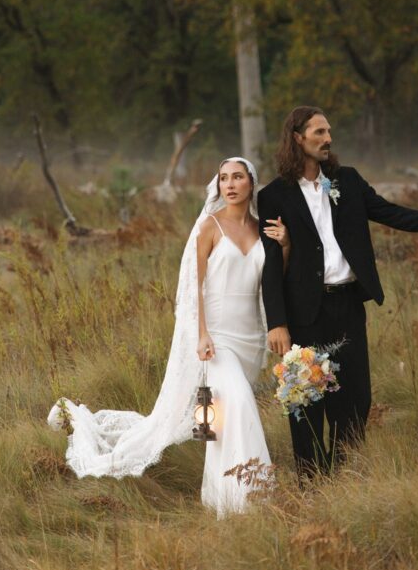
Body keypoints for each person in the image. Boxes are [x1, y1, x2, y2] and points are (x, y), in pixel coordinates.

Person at [48, 157, 283, 518]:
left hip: (249, 337)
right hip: (216, 336)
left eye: (238, 177)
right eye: (224, 179)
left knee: (226, 418)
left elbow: (275, 279)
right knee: (237, 403)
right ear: (218, 186)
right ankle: (250, 499)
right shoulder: (209, 226)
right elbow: (194, 287)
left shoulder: (262, 230)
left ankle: (220, 496)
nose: (230, 184)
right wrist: (201, 333)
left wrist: (286, 244)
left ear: (252, 183)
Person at [258, 106, 418, 477]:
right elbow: (271, 265)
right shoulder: (274, 195)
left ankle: (345, 475)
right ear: (297, 138)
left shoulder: (348, 181)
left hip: (348, 305)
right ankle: (312, 484)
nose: (328, 139)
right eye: (319, 132)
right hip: (304, 313)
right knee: (306, 401)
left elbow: (390, 213)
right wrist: (277, 322)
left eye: (329, 132)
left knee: (356, 399)